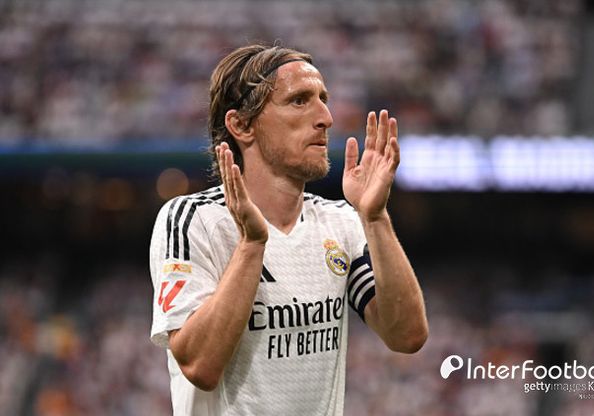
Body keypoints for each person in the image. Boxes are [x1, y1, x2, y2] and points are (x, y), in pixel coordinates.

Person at [149, 44, 428, 415]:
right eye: (299, 101)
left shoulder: (339, 221)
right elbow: (200, 366)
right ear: (241, 125)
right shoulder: (193, 220)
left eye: (323, 99)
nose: (326, 118)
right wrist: (252, 245)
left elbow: (407, 336)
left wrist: (375, 218)